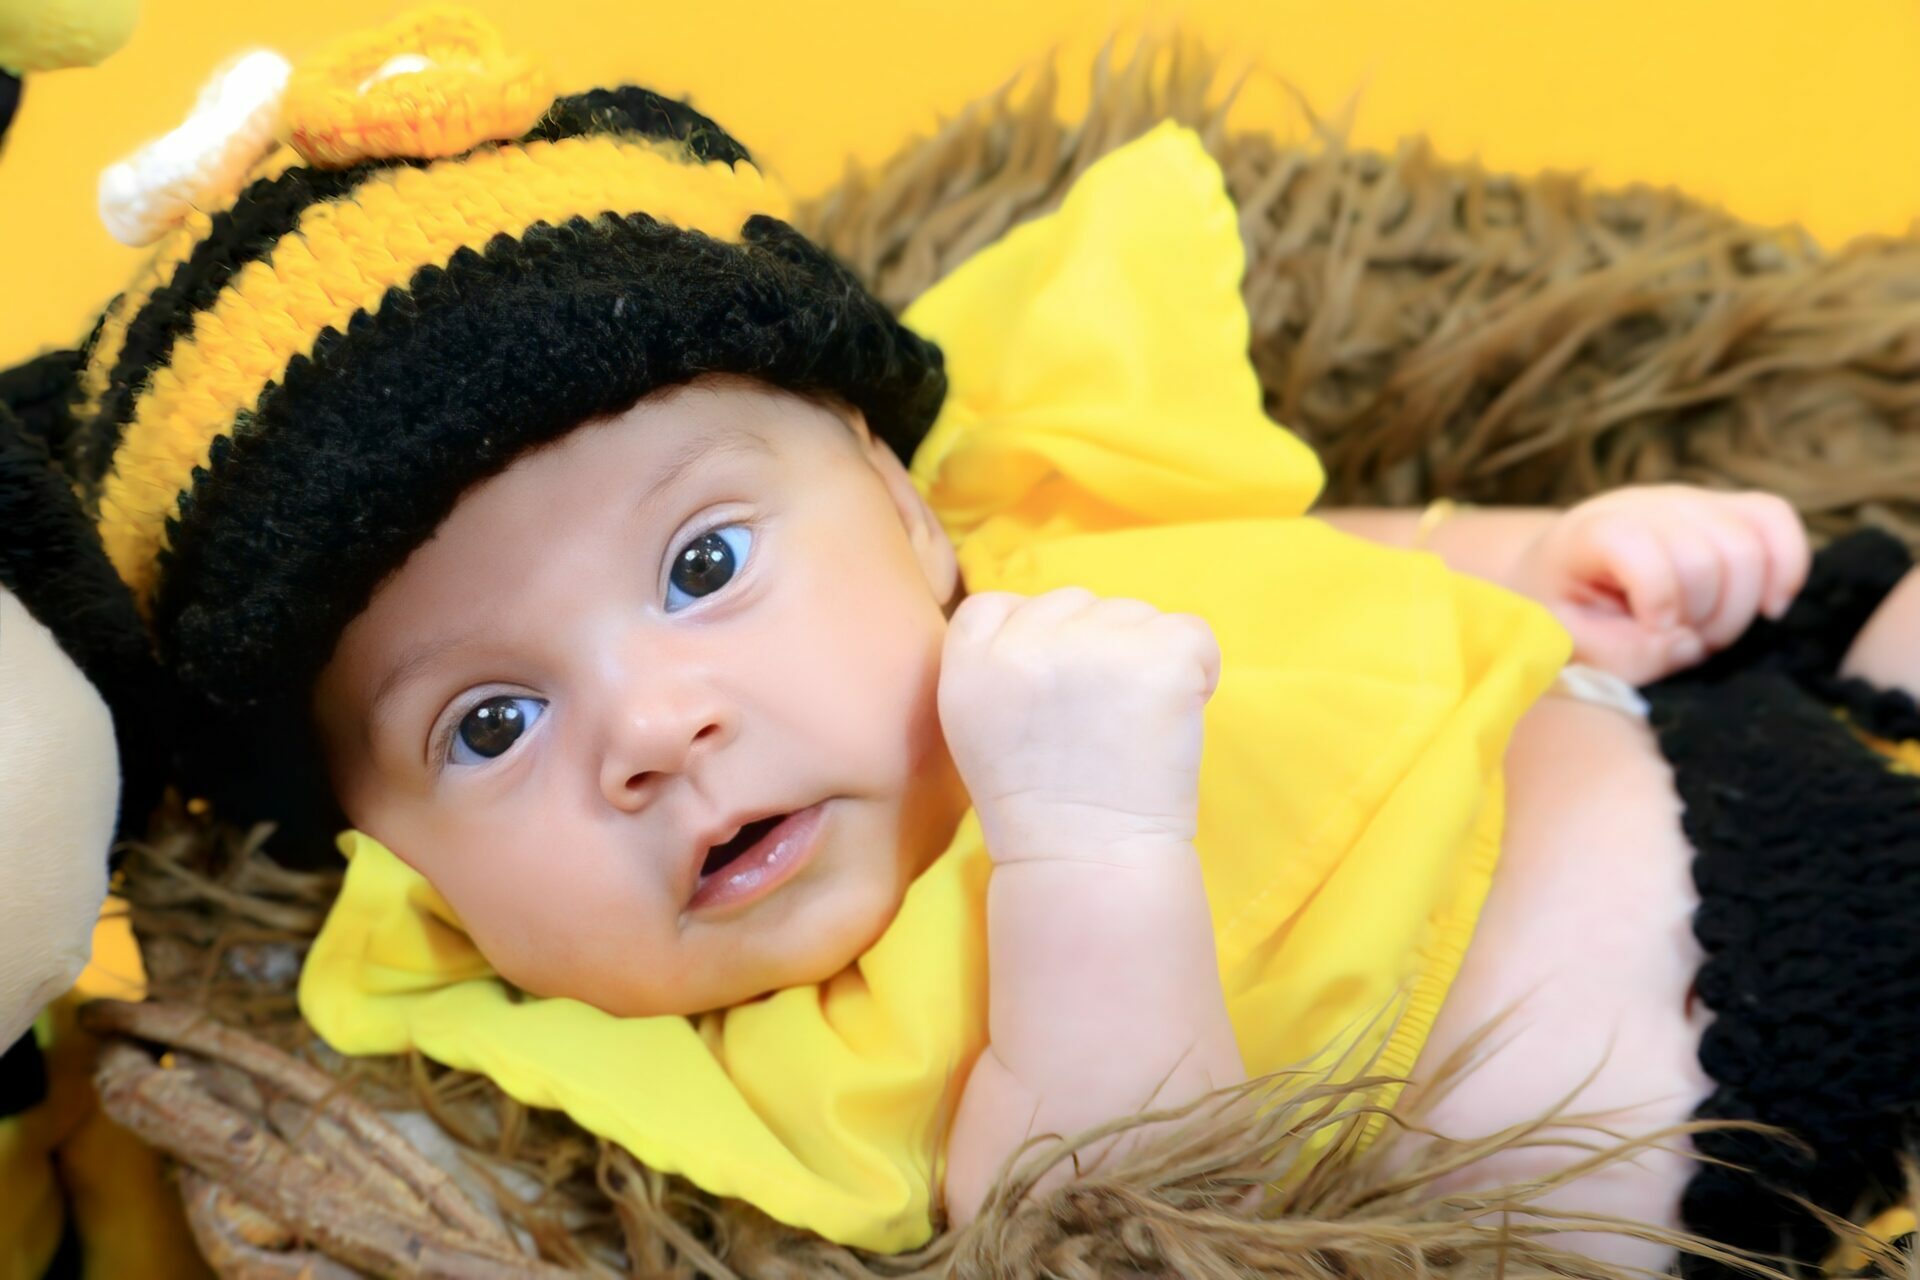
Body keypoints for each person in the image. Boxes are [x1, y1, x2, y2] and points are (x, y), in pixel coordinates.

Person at [30, 8, 1919, 1273]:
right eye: (491, 723)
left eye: (702, 565)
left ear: (906, 503)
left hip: (1729, 729)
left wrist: (1557, 559)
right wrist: (1086, 840)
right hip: (1791, 1098)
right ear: (398, 867)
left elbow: (1293, 562)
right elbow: (1109, 1211)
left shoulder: (1024, 561)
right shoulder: (781, 1043)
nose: (653, 729)